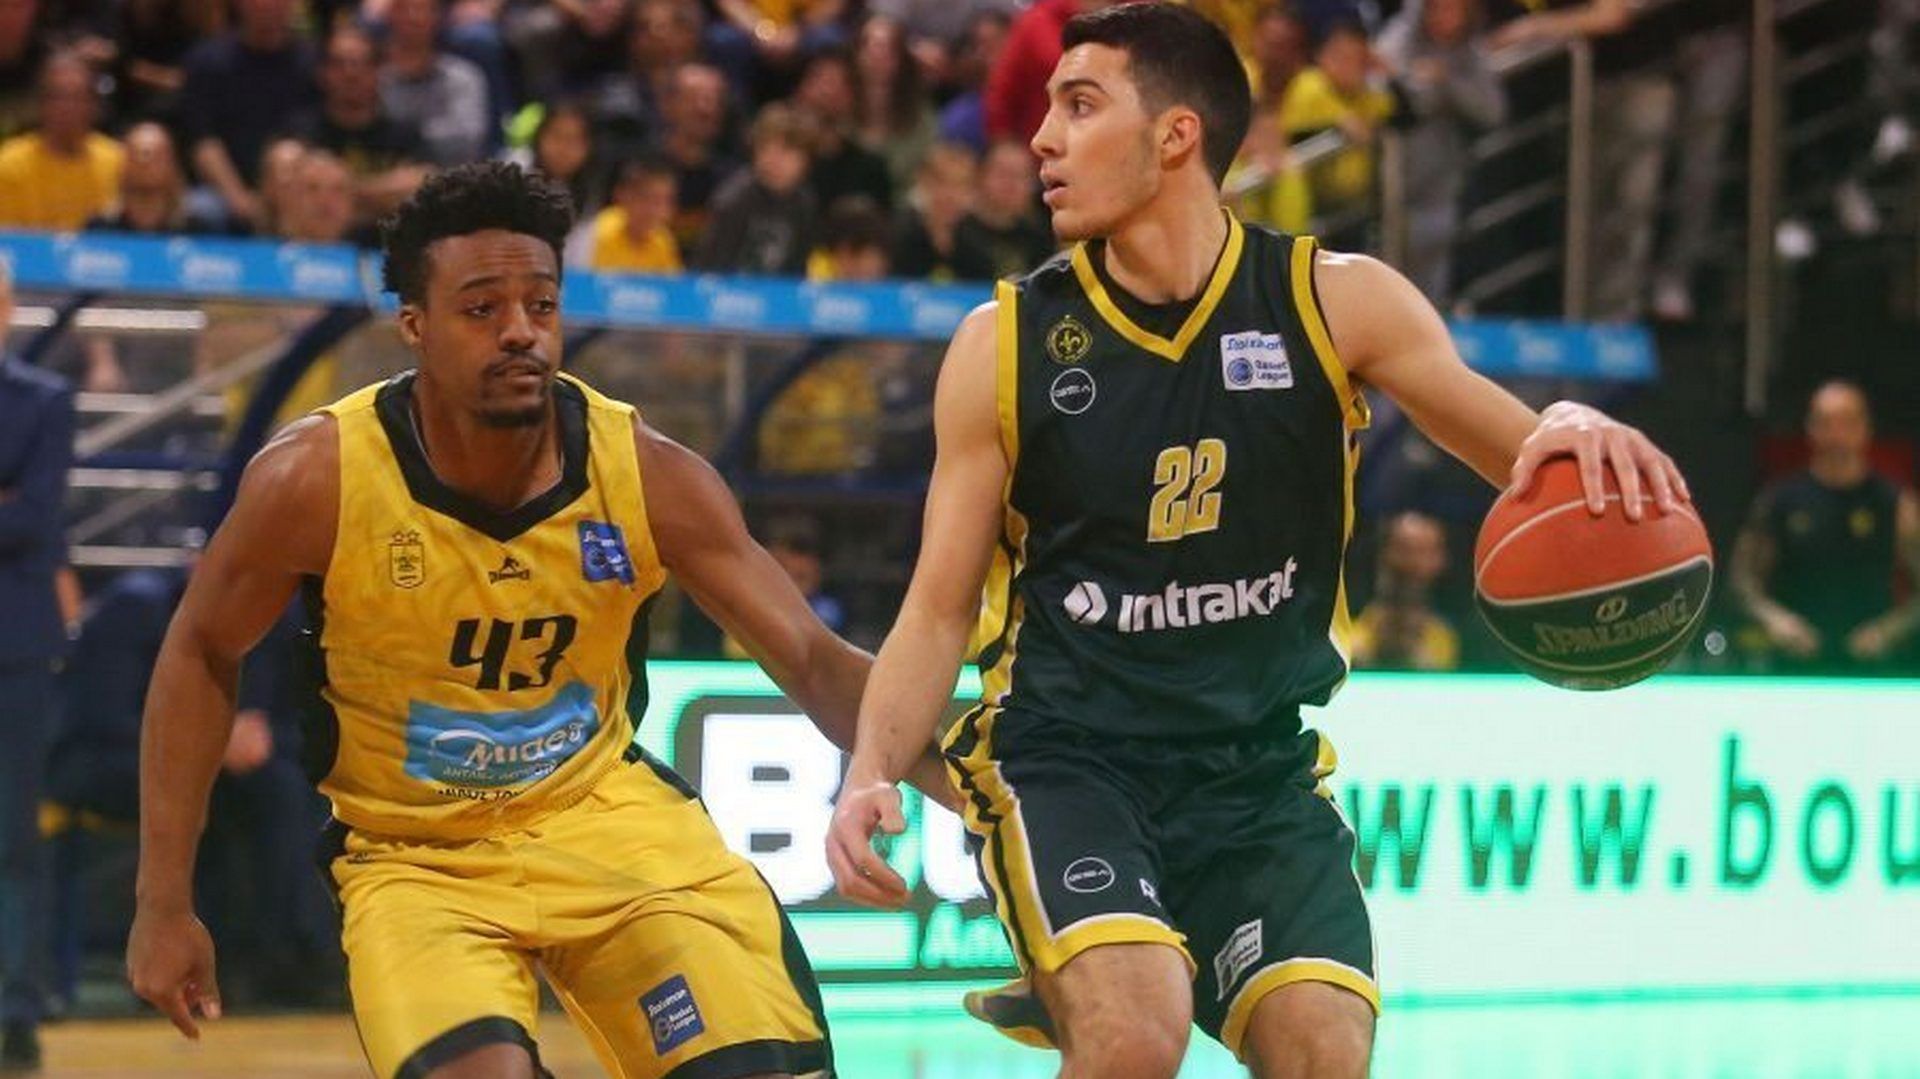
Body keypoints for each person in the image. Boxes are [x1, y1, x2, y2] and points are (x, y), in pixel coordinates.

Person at [823, 6, 1690, 1077]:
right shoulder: (1003, 344)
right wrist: (869, 770)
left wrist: (1572, 422)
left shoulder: (1337, 302)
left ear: (1176, 134)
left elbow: (1523, 451)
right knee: (1136, 1032)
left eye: (1080, 105)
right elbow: (937, 607)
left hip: (1256, 769)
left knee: (1325, 1048)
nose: (1041, 137)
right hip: (1068, 758)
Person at [126, 162, 954, 1079]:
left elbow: (811, 658)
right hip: (417, 857)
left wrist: (993, 796)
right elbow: (201, 650)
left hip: (610, 827)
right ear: (415, 326)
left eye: (541, 304)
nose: (520, 329)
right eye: (482, 308)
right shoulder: (316, 478)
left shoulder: (646, 471)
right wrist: (163, 902)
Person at [0, 260, 75, 1073]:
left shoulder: (45, 400)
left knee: (12, 835)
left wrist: (16, 508)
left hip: (15, 646)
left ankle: (15, 1010)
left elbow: (37, 516)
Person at [1732, 380, 1920, 674]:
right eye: (1825, 423)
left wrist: (1886, 632)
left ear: (1865, 428)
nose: (1836, 434)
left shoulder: (1896, 504)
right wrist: (1776, 621)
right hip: (1794, 666)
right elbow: (1742, 583)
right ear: (1810, 428)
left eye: (1847, 422)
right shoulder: (1779, 501)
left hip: (1871, 670)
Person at [0, 51, 124, 231]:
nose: (67, 107)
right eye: (58, 96)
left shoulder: (118, 163)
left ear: (94, 105)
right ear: (41, 102)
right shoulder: (10, 163)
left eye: (77, 97)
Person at [1349, 511, 1460, 671]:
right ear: (1384, 555)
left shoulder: (1455, 633)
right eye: (1405, 550)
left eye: (1424, 551)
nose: (1414, 563)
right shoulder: (1350, 639)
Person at [584, 155, 684, 273]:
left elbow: (673, 282)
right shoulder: (594, 236)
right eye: (646, 199)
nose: (656, 211)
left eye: (664, 202)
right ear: (622, 195)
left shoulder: (663, 240)